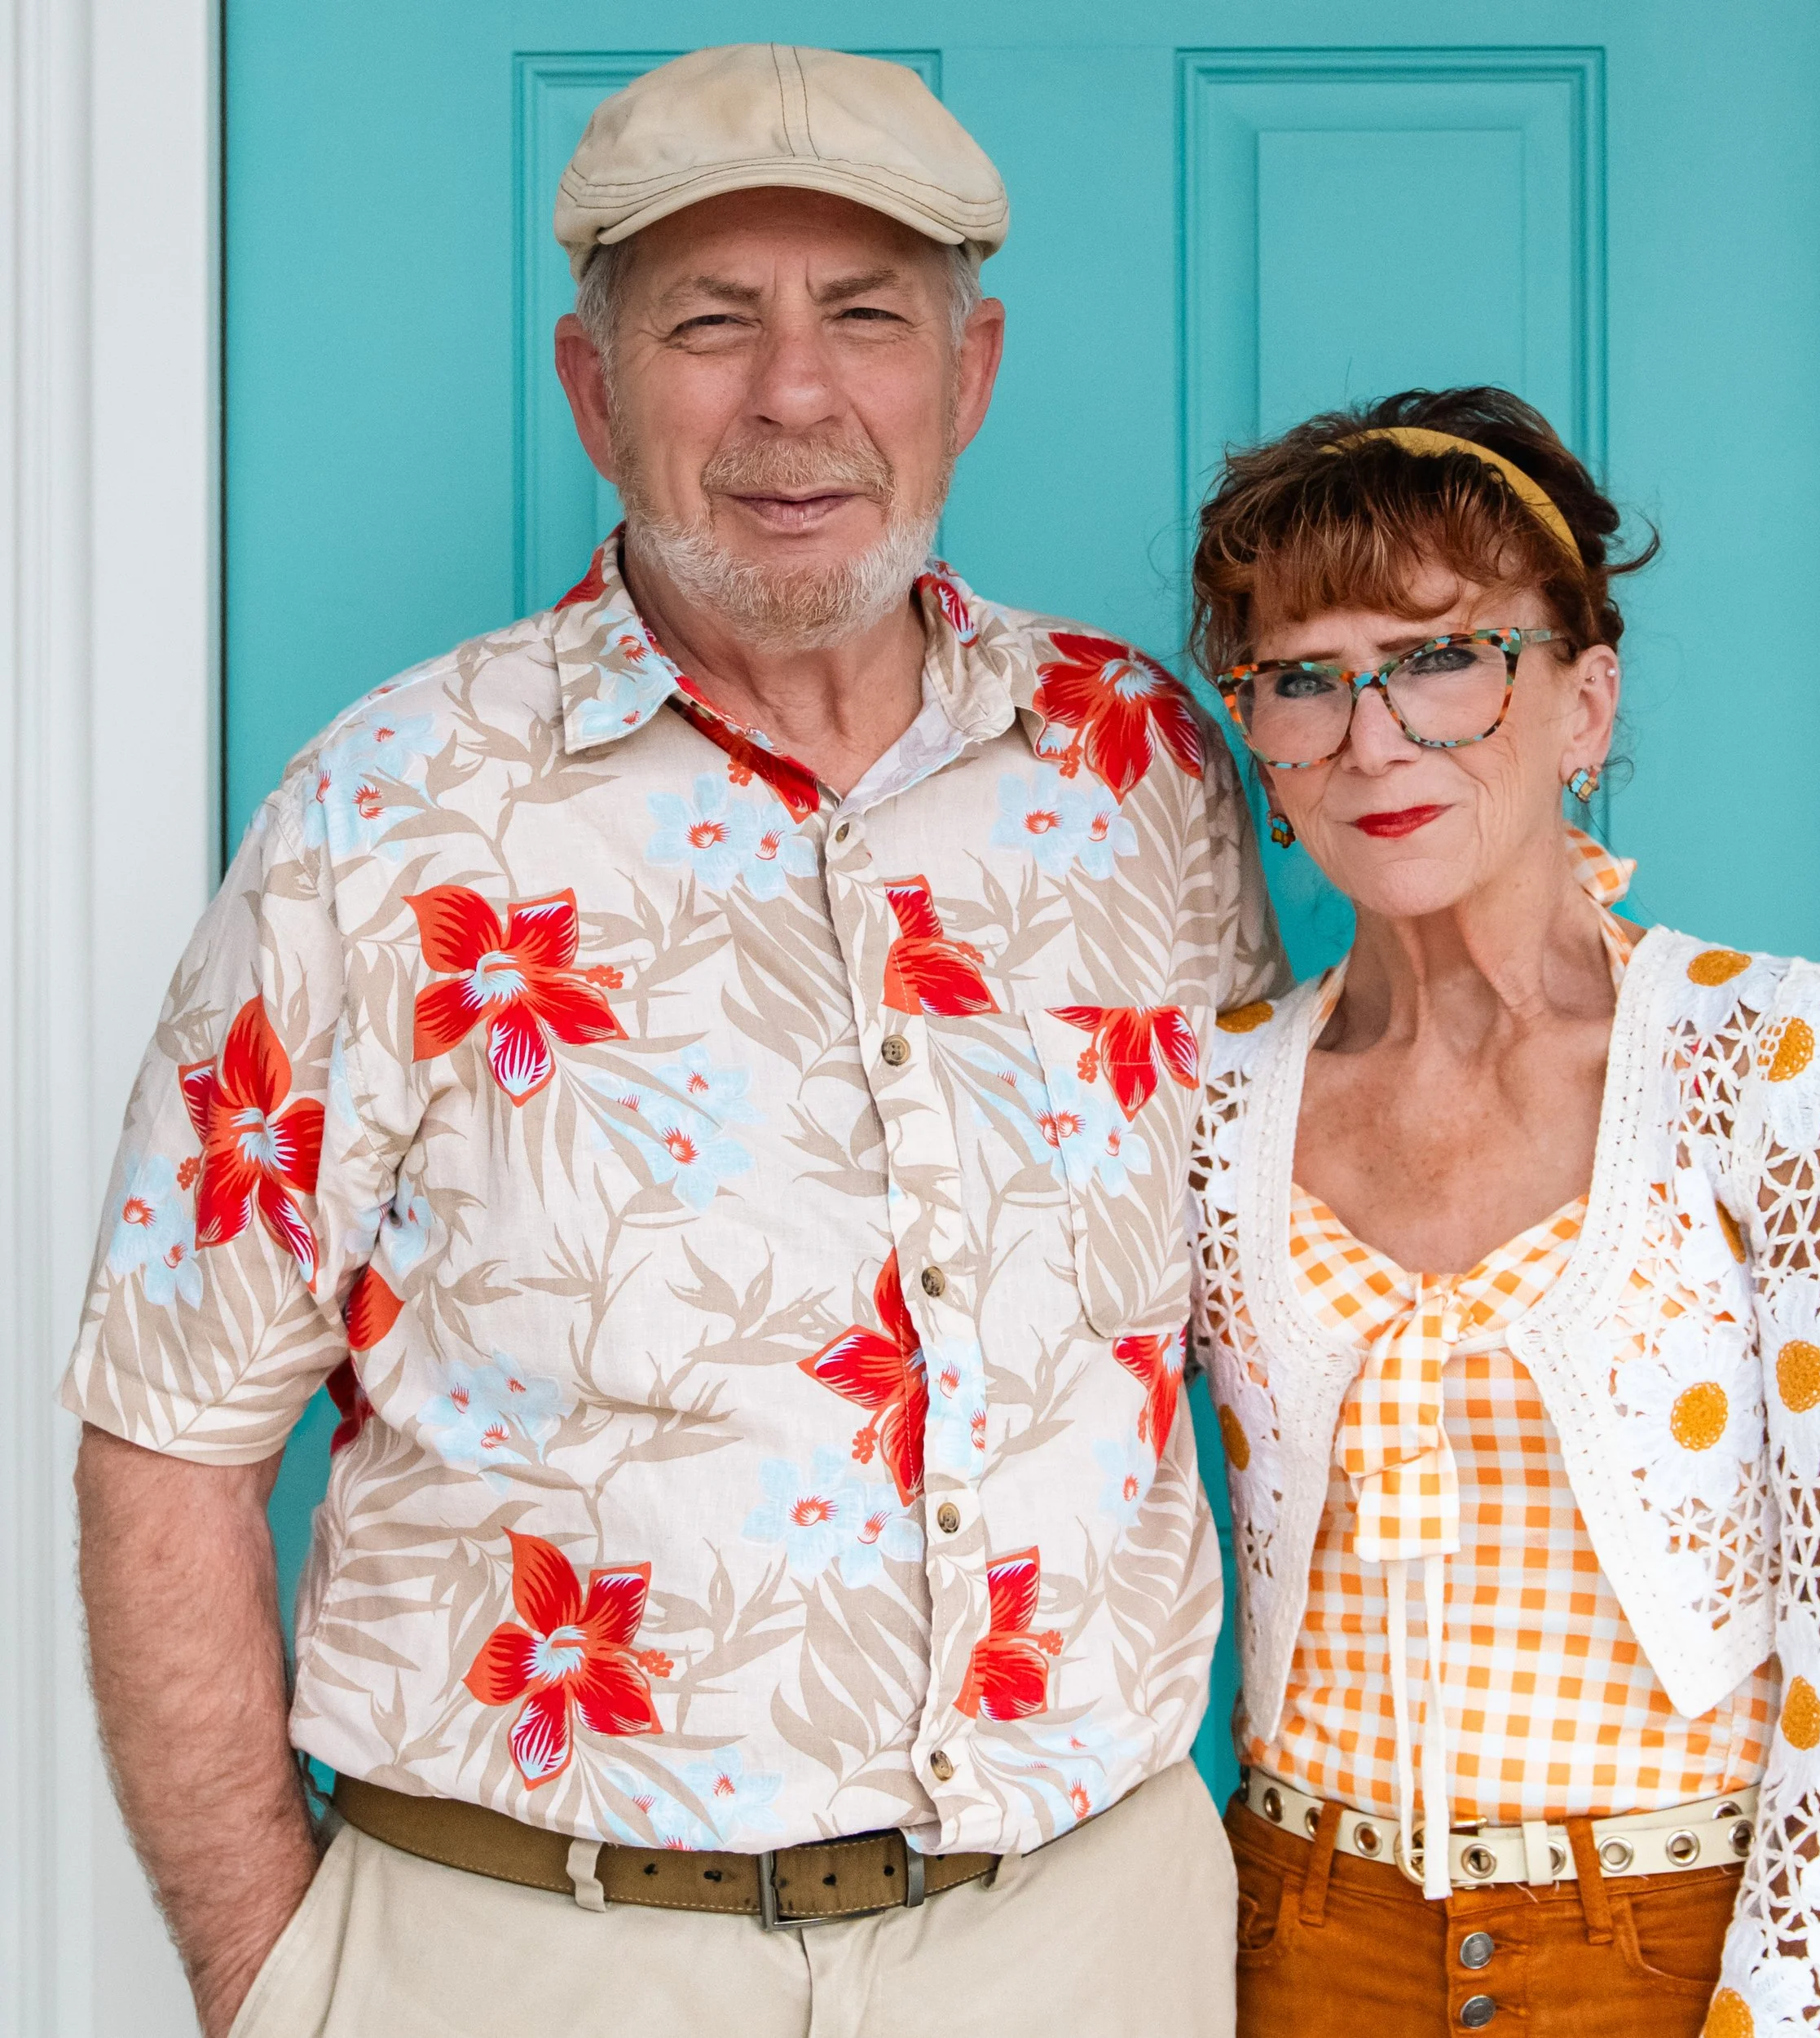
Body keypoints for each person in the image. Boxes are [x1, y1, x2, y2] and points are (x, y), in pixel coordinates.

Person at [65, 44, 1278, 2038]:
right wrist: (271, 1977)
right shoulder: (393, 814)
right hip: (523, 1953)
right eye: (710, 324)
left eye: (864, 317)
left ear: (965, 378)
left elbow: (1261, 1324)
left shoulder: (1134, 762)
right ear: (592, 386)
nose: (793, 394)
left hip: (1082, 1942)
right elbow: (168, 1427)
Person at [1184, 387, 1820, 2036]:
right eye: (1302, 682)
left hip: (1662, 1947)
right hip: (1298, 1942)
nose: (1373, 738)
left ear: (1582, 700)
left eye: (1442, 657)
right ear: (1255, 739)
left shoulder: (1765, 1057)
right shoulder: (1214, 1102)